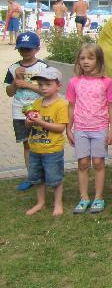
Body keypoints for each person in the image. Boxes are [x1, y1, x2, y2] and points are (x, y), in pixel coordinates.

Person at [65, 44, 112, 215]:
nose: (86, 62)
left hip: (100, 128)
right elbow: (71, 106)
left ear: (99, 60)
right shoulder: (74, 82)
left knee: (98, 163)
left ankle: (99, 197)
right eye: (82, 58)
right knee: (83, 163)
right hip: (80, 129)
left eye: (90, 58)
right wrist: (69, 128)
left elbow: (111, 106)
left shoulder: (106, 82)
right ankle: (84, 197)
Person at [5, 31, 48, 191]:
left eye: (28, 49)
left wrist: (29, 85)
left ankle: (45, 174)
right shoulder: (13, 68)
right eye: (22, 49)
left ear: (37, 49)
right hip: (19, 111)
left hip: (40, 110)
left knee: (42, 142)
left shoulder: (43, 67)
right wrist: (16, 82)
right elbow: (9, 93)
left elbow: (48, 90)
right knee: (27, 144)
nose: (25, 52)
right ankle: (32, 177)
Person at [23, 67, 67, 216]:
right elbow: (27, 124)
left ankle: (58, 203)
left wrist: (41, 122)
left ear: (58, 86)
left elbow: (60, 128)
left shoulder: (61, 104)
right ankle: (40, 202)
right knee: (37, 178)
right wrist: (29, 121)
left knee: (55, 178)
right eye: (41, 84)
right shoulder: (36, 103)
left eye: (48, 84)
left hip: (52, 150)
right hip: (35, 149)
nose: (43, 87)